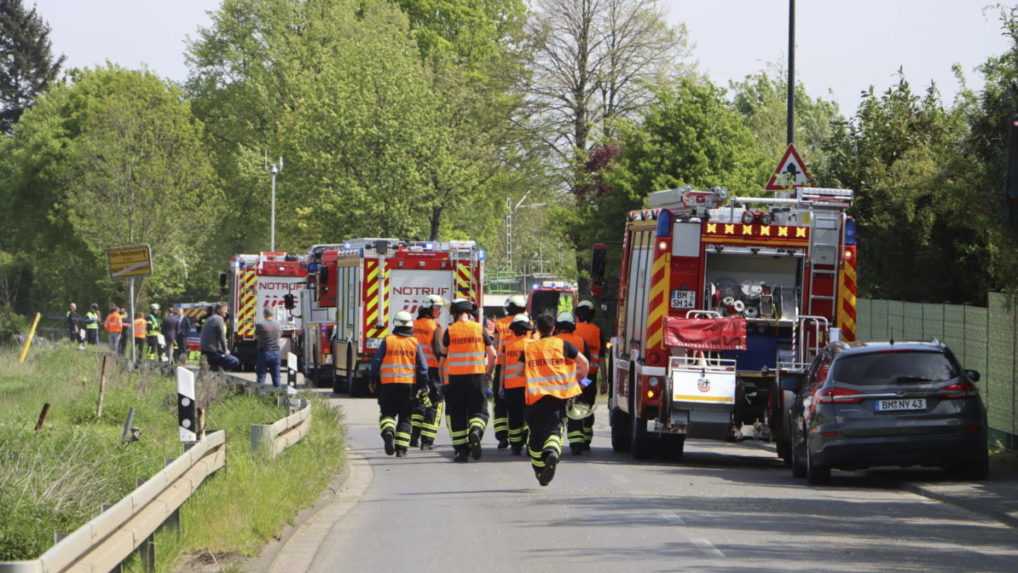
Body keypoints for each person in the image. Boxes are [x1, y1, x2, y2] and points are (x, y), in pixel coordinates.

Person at [522, 314, 588, 486]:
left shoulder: (529, 348)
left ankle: (539, 469)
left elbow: (519, 371)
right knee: (555, 430)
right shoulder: (563, 344)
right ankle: (551, 451)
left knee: (535, 438)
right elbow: (584, 362)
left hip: (535, 398)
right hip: (558, 398)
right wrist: (578, 378)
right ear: (553, 329)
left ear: (537, 329)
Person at [442, 298, 496, 463]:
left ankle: (461, 452)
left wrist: (444, 382)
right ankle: (476, 430)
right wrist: (488, 374)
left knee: (457, 414)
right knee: (479, 411)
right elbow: (493, 355)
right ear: (469, 312)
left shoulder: (449, 331)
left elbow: (443, 360)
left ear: (454, 313)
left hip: (455, 379)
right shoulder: (479, 329)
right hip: (477, 377)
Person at [371, 311, 429, 457]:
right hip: (408, 387)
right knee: (405, 417)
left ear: (396, 324)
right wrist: (423, 385)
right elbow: (423, 367)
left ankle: (388, 432)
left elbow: (376, 362)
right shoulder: (414, 343)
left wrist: (372, 379)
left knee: (387, 413)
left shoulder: (388, 340)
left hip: (388, 385)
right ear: (410, 325)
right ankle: (401, 449)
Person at [491, 295, 527, 449]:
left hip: (503, 365)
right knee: (523, 404)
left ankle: (502, 436)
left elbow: (495, 344)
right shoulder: (527, 322)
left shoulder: (499, 323)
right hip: (525, 368)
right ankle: (522, 434)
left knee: (500, 403)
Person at [410, 295, 445, 450]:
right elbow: (438, 350)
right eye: (437, 308)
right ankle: (427, 440)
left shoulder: (413, 325)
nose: (439, 312)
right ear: (429, 309)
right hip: (432, 370)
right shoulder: (435, 327)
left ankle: (413, 437)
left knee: (418, 403)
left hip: (414, 370)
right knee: (435, 404)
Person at [555, 311, 591, 455]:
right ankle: (576, 444)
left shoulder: (554, 341)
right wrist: (585, 383)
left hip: (556, 386)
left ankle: (554, 441)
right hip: (575, 386)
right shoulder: (581, 341)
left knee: (557, 416)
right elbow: (587, 363)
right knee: (575, 415)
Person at [500, 313, 533, 456]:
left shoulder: (507, 344)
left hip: (510, 386)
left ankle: (515, 445)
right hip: (528, 387)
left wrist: (501, 386)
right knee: (528, 416)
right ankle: (527, 441)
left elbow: (503, 366)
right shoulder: (531, 344)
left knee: (514, 417)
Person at [573, 300, 603, 453]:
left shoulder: (573, 330)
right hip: (589, 377)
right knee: (588, 406)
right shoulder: (597, 331)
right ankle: (586, 439)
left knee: (577, 404)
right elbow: (603, 357)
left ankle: (577, 438)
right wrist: (604, 379)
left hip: (575, 378)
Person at [201, 303, 240, 371]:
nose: (226, 311)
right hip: (213, 352)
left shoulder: (210, 318)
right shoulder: (219, 319)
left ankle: (215, 370)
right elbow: (222, 337)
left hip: (205, 351)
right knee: (235, 361)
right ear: (219, 310)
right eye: (225, 309)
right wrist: (225, 351)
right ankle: (219, 372)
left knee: (217, 366)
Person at [255, 307, 282, 387]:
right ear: (272, 314)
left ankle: (259, 397)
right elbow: (279, 335)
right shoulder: (278, 324)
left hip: (264, 353)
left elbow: (255, 337)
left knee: (261, 376)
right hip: (276, 353)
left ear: (264, 314)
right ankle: (278, 395)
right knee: (276, 377)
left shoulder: (260, 325)